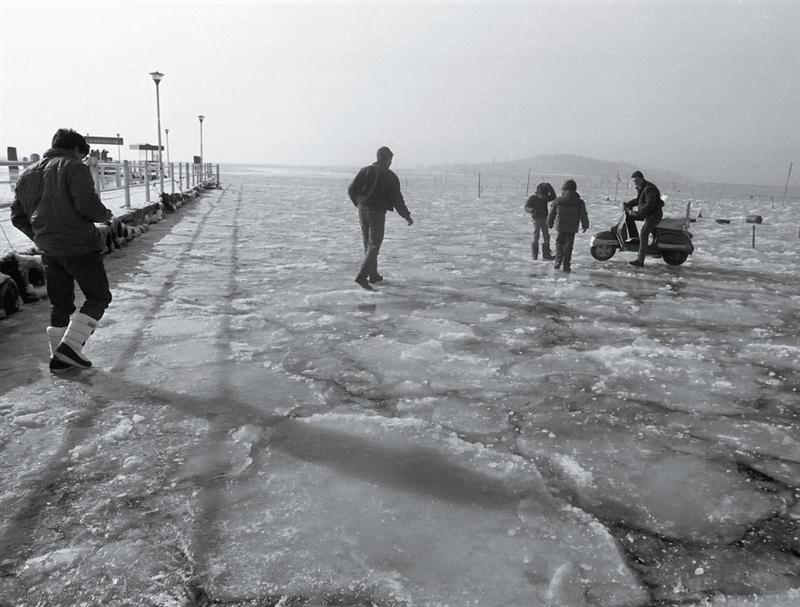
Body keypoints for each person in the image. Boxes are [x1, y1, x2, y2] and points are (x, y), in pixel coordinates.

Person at [10, 128, 114, 371]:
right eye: (83, 155)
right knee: (99, 296)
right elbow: (87, 205)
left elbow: (17, 216)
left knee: (61, 304)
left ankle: (59, 359)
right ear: (77, 150)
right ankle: (70, 349)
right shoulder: (74, 166)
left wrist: (39, 236)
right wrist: (105, 215)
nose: (83, 160)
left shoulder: (26, 174)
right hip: (79, 245)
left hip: (49, 249)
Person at [347, 146, 413, 290]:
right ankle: (362, 276)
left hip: (362, 209)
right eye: (390, 160)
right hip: (376, 212)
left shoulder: (365, 170)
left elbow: (351, 189)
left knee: (368, 243)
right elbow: (397, 199)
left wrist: (357, 203)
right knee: (374, 244)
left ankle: (373, 274)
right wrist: (406, 216)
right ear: (388, 160)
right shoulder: (390, 176)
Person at [547, 179, 589, 272]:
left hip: (560, 226)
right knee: (569, 245)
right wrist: (585, 225)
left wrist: (549, 223)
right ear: (575, 189)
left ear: (564, 189)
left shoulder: (558, 200)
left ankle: (558, 261)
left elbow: (552, 214)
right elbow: (583, 214)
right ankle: (566, 265)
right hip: (572, 227)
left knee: (559, 243)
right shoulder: (579, 202)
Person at [624, 170, 664, 267]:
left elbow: (650, 204)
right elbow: (639, 200)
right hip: (646, 213)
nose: (635, 183)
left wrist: (639, 213)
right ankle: (636, 238)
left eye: (636, 180)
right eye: (633, 181)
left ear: (641, 178)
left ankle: (640, 260)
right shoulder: (642, 187)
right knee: (629, 217)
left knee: (644, 233)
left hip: (653, 215)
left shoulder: (649, 189)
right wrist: (628, 204)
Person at [523, 182, 556, 260]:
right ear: (538, 193)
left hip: (544, 218)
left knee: (546, 235)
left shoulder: (545, 198)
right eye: (542, 195)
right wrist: (532, 210)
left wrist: (549, 186)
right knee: (536, 235)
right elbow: (526, 207)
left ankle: (546, 254)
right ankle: (534, 255)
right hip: (536, 218)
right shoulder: (533, 198)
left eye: (545, 196)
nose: (543, 197)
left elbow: (554, 197)